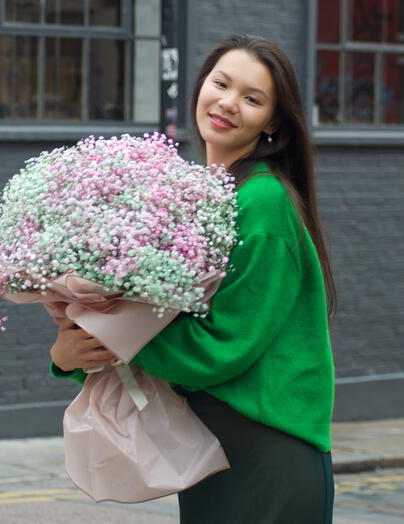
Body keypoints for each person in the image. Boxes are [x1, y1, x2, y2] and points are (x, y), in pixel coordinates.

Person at [49, 33, 336, 524]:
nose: (228, 103)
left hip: (266, 451)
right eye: (220, 84)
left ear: (272, 122)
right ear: (201, 86)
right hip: (213, 446)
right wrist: (71, 353)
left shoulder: (263, 203)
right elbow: (158, 325)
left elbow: (221, 347)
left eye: (252, 98)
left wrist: (107, 333)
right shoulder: (194, 198)